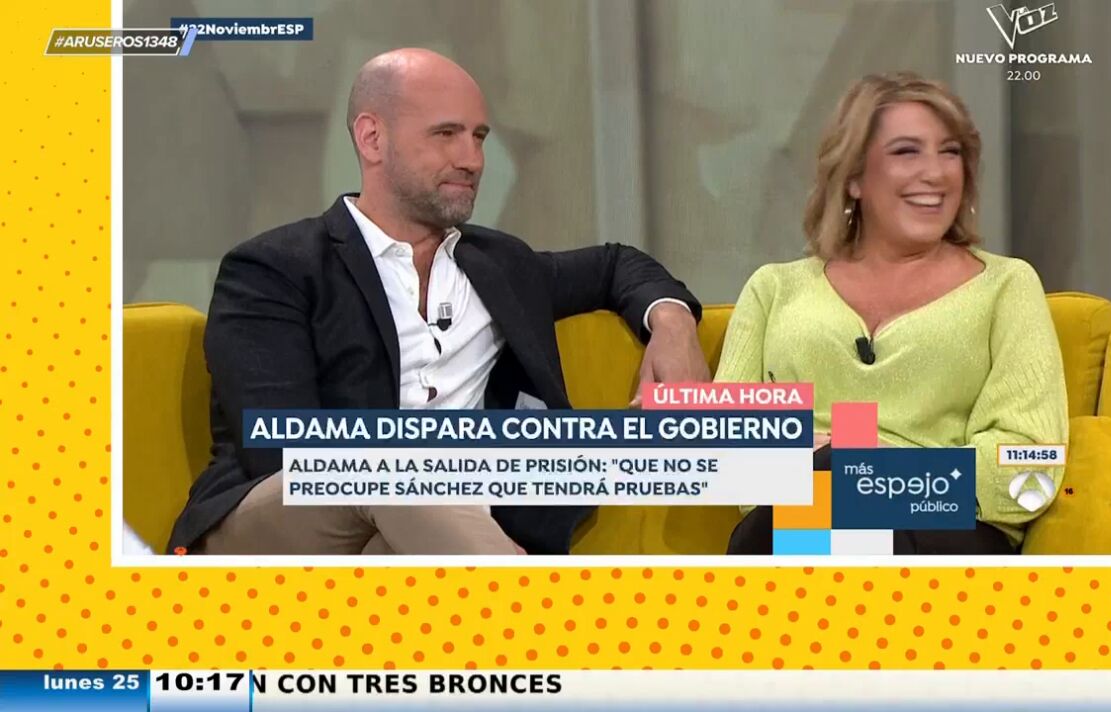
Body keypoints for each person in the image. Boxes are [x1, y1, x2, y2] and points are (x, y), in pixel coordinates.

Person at [166, 48, 711, 557]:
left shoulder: (502, 267)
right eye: (446, 134)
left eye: (479, 137)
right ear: (372, 138)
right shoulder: (274, 268)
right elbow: (282, 450)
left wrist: (672, 323)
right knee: (385, 464)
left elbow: (617, 265)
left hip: (424, 537)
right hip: (279, 525)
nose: (472, 159)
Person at [717, 72, 1068, 555]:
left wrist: (885, 470)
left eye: (950, 152)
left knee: (842, 491)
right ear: (854, 177)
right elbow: (728, 450)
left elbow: (1029, 465)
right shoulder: (774, 289)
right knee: (823, 500)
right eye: (907, 152)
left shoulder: (1007, 286)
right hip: (796, 522)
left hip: (942, 531)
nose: (936, 173)